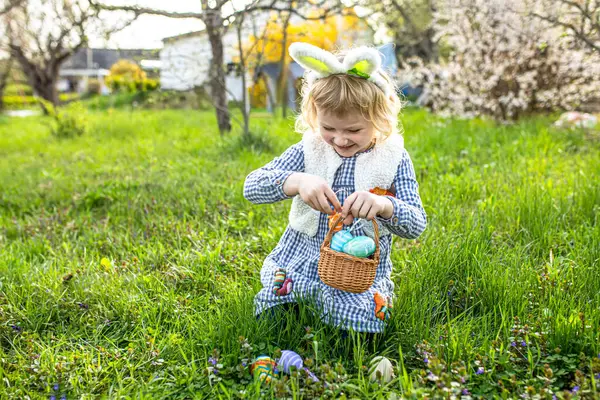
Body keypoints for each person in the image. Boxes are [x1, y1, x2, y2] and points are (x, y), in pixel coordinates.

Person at [243, 42, 427, 334]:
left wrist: (383, 206)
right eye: (329, 128)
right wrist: (297, 181)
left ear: (380, 119)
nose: (340, 140)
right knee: (273, 322)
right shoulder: (310, 149)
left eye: (353, 130)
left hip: (358, 275)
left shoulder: (393, 158)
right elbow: (252, 186)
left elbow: (416, 224)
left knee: (357, 332)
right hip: (301, 263)